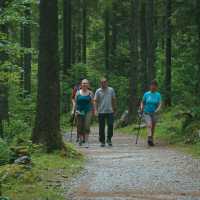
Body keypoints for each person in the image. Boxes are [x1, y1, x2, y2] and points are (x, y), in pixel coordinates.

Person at [94, 78, 116, 147]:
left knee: (110, 125)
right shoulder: (98, 91)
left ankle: (109, 139)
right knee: (101, 127)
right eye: (102, 82)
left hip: (110, 111)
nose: (104, 84)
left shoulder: (111, 90)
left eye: (105, 82)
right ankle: (102, 141)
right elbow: (95, 100)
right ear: (100, 83)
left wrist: (114, 108)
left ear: (107, 83)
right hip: (101, 111)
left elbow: (113, 99)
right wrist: (95, 110)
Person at [72, 79, 94, 148]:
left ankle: (86, 141)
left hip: (88, 111)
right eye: (83, 83)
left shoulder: (90, 93)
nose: (84, 84)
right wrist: (73, 110)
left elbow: (92, 103)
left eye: (86, 83)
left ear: (88, 85)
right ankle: (81, 140)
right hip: (79, 111)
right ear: (81, 84)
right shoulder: (78, 93)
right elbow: (75, 103)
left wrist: (94, 111)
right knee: (79, 126)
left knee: (87, 126)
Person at [140, 80, 162, 146]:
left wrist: (158, 109)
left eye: (154, 86)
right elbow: (142, 102)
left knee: (153, 126)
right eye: (152, 85)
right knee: (149, 125)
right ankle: (149, 137)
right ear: (150, 86)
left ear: (156, 87)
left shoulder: (158, 95)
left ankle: (151, 139)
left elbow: (160, 103)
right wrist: (141, 108)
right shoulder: (146, 94)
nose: (153, 87)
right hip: (146, 112)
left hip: (154, 113)